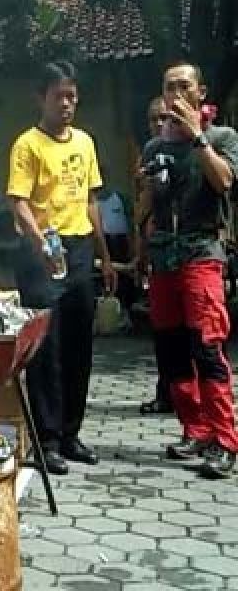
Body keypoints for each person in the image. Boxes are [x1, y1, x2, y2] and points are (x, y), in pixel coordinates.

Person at [7, 61, 117, 475]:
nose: (67, 103)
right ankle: (47, 439)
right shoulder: (27, 145)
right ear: (42, 98)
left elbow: (92, 202)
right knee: (46, 349)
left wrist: (104, 255)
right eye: (59, 96)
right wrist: (42, 245)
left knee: (78, 345)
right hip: (41, 252)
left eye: (72, 95)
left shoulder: (85, 143)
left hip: (80, 248)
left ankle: (71, 433)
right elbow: (18, 202)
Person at [138, 61, 238, 479]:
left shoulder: (222, 137)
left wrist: (197, 136)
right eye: (168, 88)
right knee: (171, 348)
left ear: (201, 92)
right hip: (162, 257)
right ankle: (194, 429)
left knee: (207, 346)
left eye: (184, 86)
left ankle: (225, 440)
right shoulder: (154, 148)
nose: (176, 94)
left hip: (201, 253)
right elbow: (147, 205)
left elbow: (225, 182)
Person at [136, 96, 173, 415]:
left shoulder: (193, 145)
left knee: (194, 337)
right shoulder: (150, 152)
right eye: (153, 119)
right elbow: (143, 209)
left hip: (190, 252)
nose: (158, 124)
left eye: (164, 118)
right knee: (161, 330)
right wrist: (141, 255)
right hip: (156, 249)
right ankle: (165, 392)